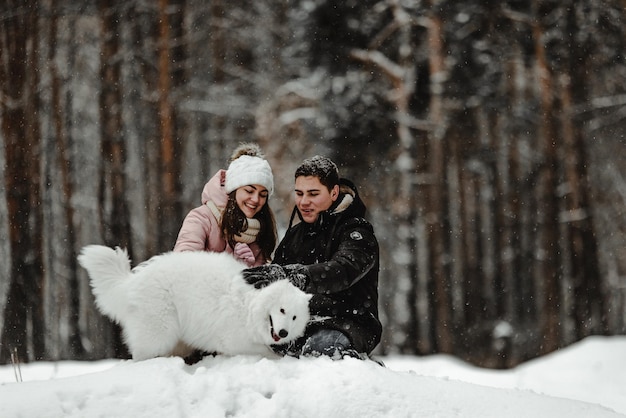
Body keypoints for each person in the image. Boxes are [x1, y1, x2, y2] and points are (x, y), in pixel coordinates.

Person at [243, 155, 382, 360]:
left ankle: (362, 374)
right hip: (298, 323)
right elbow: (278, 283)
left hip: (349, 323)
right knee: (250, 351)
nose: (304, 202)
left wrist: (298, 276)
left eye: (313, 193)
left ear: (334, 192)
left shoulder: (357, 232)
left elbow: (343, 270)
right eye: (299, 193)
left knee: (320, 352)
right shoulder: (295, 235)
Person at [173, 143, 277, 267]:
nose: (255, 199)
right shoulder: (201, 218)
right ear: (233, 190)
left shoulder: (261, 229)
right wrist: (231, 265)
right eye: (249, 191)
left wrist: (247, 269)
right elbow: (183, 266)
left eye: (263, 195)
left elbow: (258, 284)